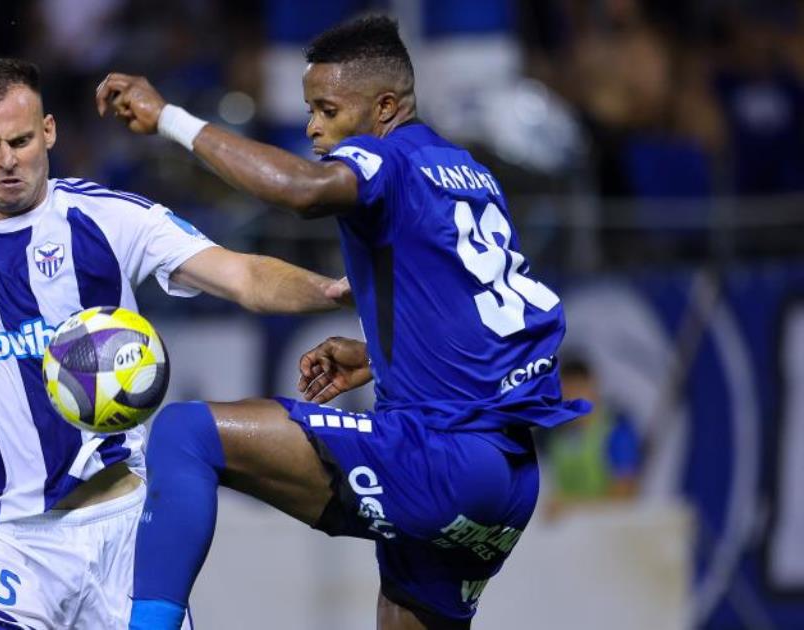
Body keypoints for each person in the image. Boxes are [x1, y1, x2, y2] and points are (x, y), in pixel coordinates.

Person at [0, 57, 348, 630]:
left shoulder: (110, 220)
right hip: (7, 536)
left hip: (123, 528)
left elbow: (244, 276)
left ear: (48, 131)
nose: (8, 160)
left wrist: (337, 291)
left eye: (21, 141)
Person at [97, 15, 590, 630]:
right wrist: (382, 356)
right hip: (509, 476)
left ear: (384, 108)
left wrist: (170, 118)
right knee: (402, 612)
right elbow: (478, 309)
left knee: (185, 434)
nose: (313, 127)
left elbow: (302, 191)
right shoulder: (467, 172)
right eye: (310, 110)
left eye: (327, 110)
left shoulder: (386, 157)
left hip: (442, 457)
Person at [543, 357, 640, 519]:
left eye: (578, 390)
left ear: (593, 387)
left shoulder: (616, 432)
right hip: (570, 529)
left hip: (607, 527)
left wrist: (572, 507)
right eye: (567, 393)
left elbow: (625, 495)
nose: (572, 399)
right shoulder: (554, 435)